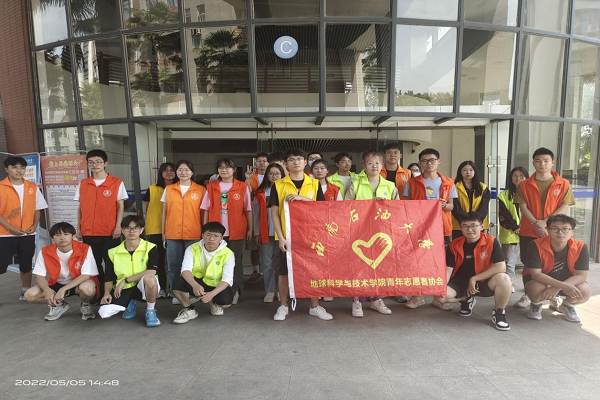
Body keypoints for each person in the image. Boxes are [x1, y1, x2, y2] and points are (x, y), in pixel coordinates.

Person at [270, 148, 332, 321]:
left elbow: (321, 209)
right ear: (286, 164)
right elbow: (274, 214)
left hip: (310, 236)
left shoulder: (314, 184)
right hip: (286, 237)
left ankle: (315, 306)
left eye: (299, 159)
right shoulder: (278, 185)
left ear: (305, 162)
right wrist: (280, 237)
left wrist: (303, 199)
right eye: (291, 160)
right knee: (283, 272)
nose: (296, 162)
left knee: (312, 271)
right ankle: (283, 306)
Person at [513, 148, 575, 310]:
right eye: (538, 161)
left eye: (546, 160)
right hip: (529, 230)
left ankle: (554, 295)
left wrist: (546, 223)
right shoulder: (524, 184)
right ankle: (529, 294)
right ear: (533, 163)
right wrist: (536, 223)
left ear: (552, 162)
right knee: (529, 263)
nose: (542, 164)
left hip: (555, 231)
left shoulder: (563, 183)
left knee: (554, 263)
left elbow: (564, 206)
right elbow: (523, 207)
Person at [435, 212, 511, 330]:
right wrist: (441, 286)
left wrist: (474, 278)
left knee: (504, 278)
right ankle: (466, 300)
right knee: (441, 296)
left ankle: (499, 313)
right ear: (460, 228)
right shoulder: (454, 244)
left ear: (482, 226)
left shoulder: (491, 241)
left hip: (484, 281)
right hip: (460, 282)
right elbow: (448, 268)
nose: (470, 230)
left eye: (474, 226)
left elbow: (501, 267)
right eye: (465, 226)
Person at [403, 148, 458, 309]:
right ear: (420, 163)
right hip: (419, 229)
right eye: (425, 161)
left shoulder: (448, 182)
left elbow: (451, 206)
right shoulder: (412, 183)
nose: (429, 163)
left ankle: (437, 297)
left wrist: (444, 205)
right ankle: (417, 296)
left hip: (441, 228)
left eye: (432, 160)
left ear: (438, 161)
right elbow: (407, 206)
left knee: (439, 263)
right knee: (418, 262)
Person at [345, 152, 397, 317]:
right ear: (364, 167)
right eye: (370, 163)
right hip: (359, 232)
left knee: (381, 267)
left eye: (377, 163)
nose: (374, 166)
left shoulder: (390, 186)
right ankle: (356, 301)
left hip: (382, 232)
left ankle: (377, 299)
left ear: (382, 166)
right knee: (357, 267)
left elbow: (398, 208)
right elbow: (346, 206)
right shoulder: (356, 184)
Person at [74, 149, 128, 300]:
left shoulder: (117, 183)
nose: (95, 165)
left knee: (111, 264)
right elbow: (80, 208)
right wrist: (78, 228)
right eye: (91, 162)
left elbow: (120, 206)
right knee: (94, 265)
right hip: (88, 232)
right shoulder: (83, 184)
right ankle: (98, 294)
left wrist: (118, 226)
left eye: (98, 162)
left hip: (110, 231)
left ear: (105, 164)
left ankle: (112, 294)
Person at [24, 222, 99, 321]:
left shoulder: (85, 248)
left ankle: (86, 304)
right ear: (52, 238)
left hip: (79, 283)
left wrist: (63, 289)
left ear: (73, 236)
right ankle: (58, 304)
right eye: (58, 235)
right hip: (56, 283)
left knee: (87, 289)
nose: (62, 238)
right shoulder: (45, 251)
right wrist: (47, 290)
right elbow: (40, 277)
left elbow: (86, 275)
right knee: (29, 295)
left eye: (66, 234)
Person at [202, 158, 252, 304]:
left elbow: (248, 210)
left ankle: (235, 291)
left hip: (236, 231)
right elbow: (205, 209)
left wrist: (250, 229)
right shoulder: (211, 187)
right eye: (221, 168)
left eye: (227, 167)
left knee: (236, 262)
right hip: (216, 233)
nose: (224, 170)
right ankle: (215, 292)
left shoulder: (242, 187)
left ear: (234, 170)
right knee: (215, 262)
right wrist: (205, 230)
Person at [524, 215, 591, 323]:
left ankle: (568, 306)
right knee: (536, 288)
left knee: (584, 291)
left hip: (567, 280)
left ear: (572, 232)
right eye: (555, 228)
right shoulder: (535, 245)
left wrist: (557, 287)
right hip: (541, 280)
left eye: (565, 229)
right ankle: (536, 305)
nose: (560, 232)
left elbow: (581, 275)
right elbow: (536, 274)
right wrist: (562, 286)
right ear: (548, 230)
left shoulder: (581, 247)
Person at [0, 156, 48, 300]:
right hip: (4, 235)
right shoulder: (1, 187)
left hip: (27, 234)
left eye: (22, 167)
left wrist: (34, 225)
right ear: (6, 169)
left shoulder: (32, 187)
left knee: (26, 264)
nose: (19, 170)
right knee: (1, 265)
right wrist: (10, 228)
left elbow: (37, 209)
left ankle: (25, 291)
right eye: (14, 167)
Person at [99, 216, 160, 327]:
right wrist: (107, 293)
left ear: (141, 230)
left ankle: (150, 310)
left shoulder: (150, 247)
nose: (132, 231)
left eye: (135, 228)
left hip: (142, 287)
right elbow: (109, 276)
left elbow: (152, 271)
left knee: (150, 279)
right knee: (104, 313)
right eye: (128, 228)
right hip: (123, 289)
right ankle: (130, 302)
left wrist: (125, 281)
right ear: (122, 230)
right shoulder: (113, 252)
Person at [172, 222, 235, 323]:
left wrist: (212, 294)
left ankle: (214, 303)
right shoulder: (192, 248)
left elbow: (227, 279)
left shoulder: (228, 253)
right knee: (177, 283)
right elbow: (185, 270)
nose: (211, 239)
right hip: (197, 283)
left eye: (216, 236)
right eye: (208, 235)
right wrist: (194, 285)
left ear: (221, 238)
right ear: (202, 235)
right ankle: (189, 310)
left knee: (226, 302)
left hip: (215, 285)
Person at [161, 160, 204, 304]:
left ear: (192, 172)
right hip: (172, 233)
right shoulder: (169, 189)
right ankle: (176, 294)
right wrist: (163, 232)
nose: (183, 172)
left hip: (194, 232)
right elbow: (164, 212)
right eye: (180, 170)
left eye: (186, 170)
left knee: (192, 266)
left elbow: (203, 213)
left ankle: (192, 293)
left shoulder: (200, 189)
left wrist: (203, 231)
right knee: (173, 265)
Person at [143, 162, 177, 298]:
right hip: (155, 229)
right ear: (160, 173)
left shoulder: (179, 188)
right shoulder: (152, 189)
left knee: (174, 262)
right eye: (165, 170)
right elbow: (147, 210)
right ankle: (161, 288)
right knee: (158, 261)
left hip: (175, 229)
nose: (169, 172)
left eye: (171, 170)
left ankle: (175, 290)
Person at [253, 163, 285, 302]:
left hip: (283, 233)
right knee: (267, 264)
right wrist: (256, 232)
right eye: (271, 173)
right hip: (266, 232)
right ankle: (270, 291)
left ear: (282, 175)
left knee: (281, 264)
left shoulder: (287, 189)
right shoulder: (261, 192)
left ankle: (281, 291)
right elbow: (256, 213)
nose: (274, 176)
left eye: (277, 173)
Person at [498, 167, 529, 287]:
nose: (518, 178)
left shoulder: (532, 194)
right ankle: (508, 285)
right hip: (512, 233)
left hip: (529, 231)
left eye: (521, 176)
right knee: (509, 261)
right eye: (515, 176)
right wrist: (515, 227)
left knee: (529, 261)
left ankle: (529, 286)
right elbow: (503, 214)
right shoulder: (504, 195)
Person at [245, 153, 269, 286]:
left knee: (269, 243)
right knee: (254, 244)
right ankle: (255, 271)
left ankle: (269, 272)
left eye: (264, 161)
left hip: (269, 211)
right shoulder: (251, 176)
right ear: (255, 163)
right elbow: (246, 193)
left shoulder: (273, 175)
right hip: (254, 212)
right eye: (259, 161)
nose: (261, 163)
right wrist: (247, 179)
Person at [451, 161, 490, 239]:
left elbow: (484, 207)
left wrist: (475, 221)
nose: (468, 172)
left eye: (471, 170)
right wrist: (464, 220)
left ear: (475, 171)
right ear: (460, 172)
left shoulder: (483, 187)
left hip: (477, 225)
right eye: (465, 170)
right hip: (459, 225)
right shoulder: (454, 187)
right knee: (459, 244)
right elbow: (455, 206)